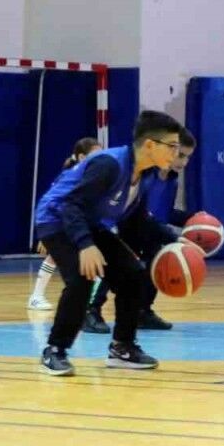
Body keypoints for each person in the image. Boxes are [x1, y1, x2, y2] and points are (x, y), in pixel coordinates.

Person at [34, 110, 185, 375]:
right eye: (171, 146)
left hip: (88, 222)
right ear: (150, 145)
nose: (176, 153)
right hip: (56, 220)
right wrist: (86, 245)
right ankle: (55, 350)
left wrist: (178, 239)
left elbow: (137, 220)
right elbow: (71, 205)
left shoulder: (144, 175)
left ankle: (122, 348)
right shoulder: (109, 165)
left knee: (133, 274)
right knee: (82, 277)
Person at [83, 129, 198, 334]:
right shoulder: (146, 174)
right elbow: (139, 211)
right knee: (114, 260)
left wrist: (193, 219)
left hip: (149, 229)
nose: (184, 161)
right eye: (180, 154)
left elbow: (164, 212)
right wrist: (173, 235)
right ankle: (90, 309)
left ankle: (142, 311)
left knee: (158, 260)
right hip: (125, 224)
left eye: (188, 157)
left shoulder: (172, 180)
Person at [27, 137, 103, 312]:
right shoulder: (72, 175)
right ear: (82, 157)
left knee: (62, 258)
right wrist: (46, 234)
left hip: (65, 219)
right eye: (97, 155)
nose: (102, 158)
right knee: (83, 261)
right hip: (58, 220)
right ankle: (40, 297)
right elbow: (52, 201)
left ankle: (38, 297)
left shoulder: (87, 174)